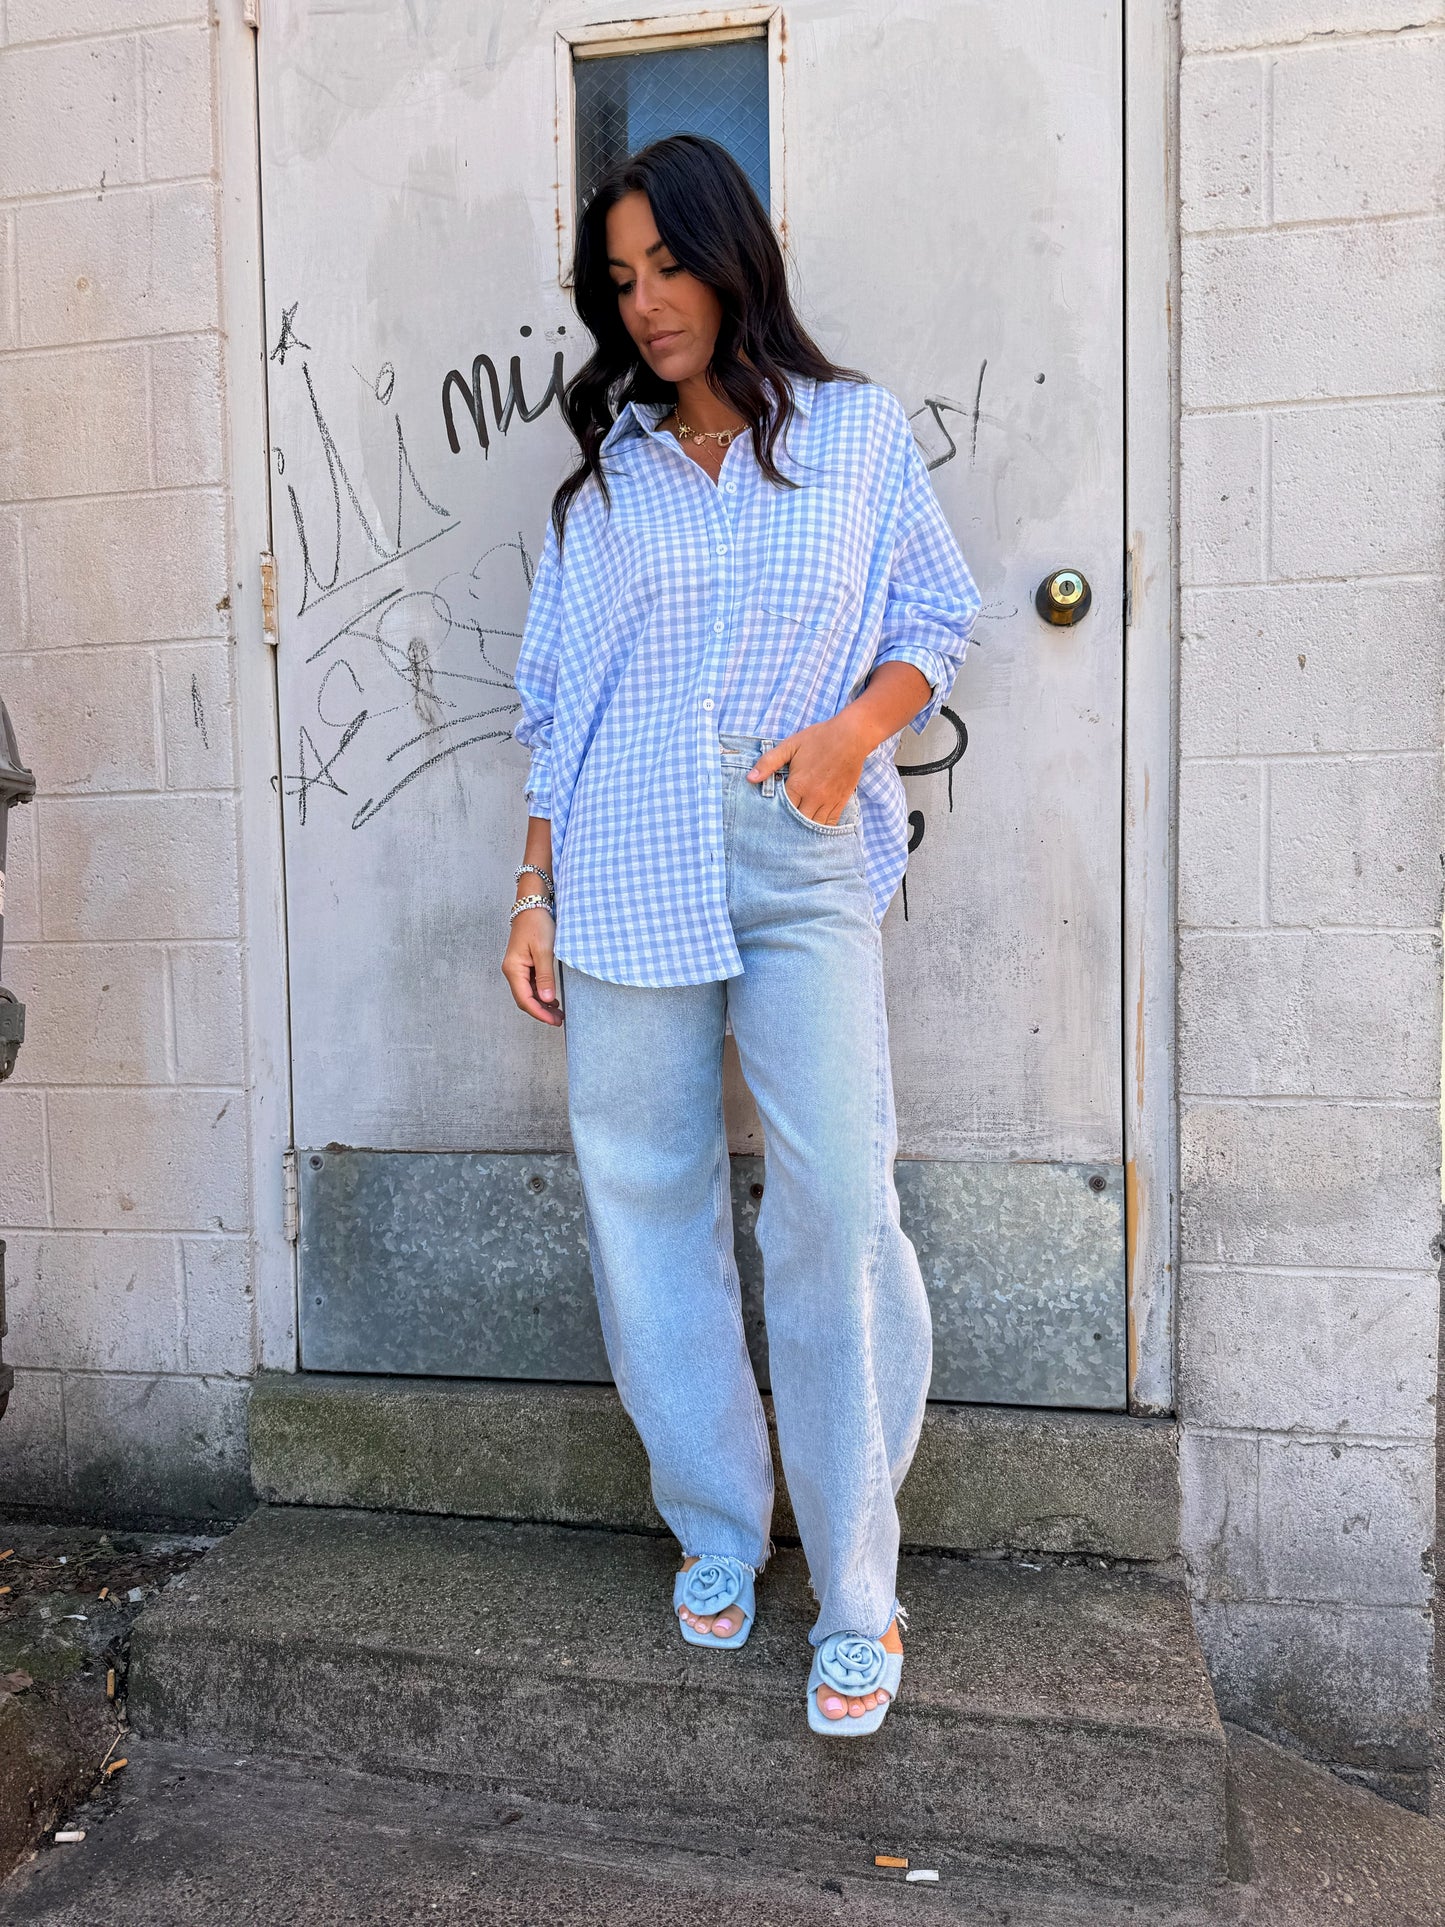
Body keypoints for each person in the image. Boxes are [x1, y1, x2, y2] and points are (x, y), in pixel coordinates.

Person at [502, 133, 980, 1736]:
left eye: (666, 267)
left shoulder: (853, 435)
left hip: (800, 850)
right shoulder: (609, 483)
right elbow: (554, 708)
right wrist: (529, 892)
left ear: (731, 257)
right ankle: (716, 1523)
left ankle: (857, 1579)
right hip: (626, 854)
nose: (645, 306)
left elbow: (934, 618)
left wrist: (852, 736)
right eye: (618, 283)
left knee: (837, 1203)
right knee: (647, 1201)